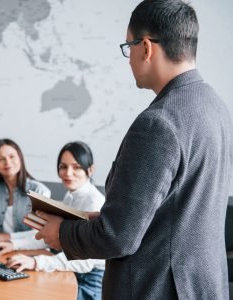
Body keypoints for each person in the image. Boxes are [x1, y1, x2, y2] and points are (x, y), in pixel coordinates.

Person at [35, 1, 233, 299]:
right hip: (202, 286)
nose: (129, 59)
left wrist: (61, 234)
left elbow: (118, 237)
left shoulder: (158, 123)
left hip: (157, 288)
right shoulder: (216, 108)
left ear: (146, 48)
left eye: (129, 47)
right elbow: (178, 211)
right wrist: (100, 219)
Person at [0, 141, 105, 300]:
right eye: (63, 166)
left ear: (90, 169)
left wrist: (36, 263)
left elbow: (84, 261)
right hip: (70, 271)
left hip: (89, 280)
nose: (68, 173)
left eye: (76, 167)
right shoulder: (70, 196)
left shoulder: (94, 203)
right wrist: (14, 244)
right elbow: (49, 235)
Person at [0, 138, 50, 242]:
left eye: (12, 156)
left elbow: (40, 233)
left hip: (30, 253)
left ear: (20, 158)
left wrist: (6, 237)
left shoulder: (39, 191)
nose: (7, 162)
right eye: (1, 159)